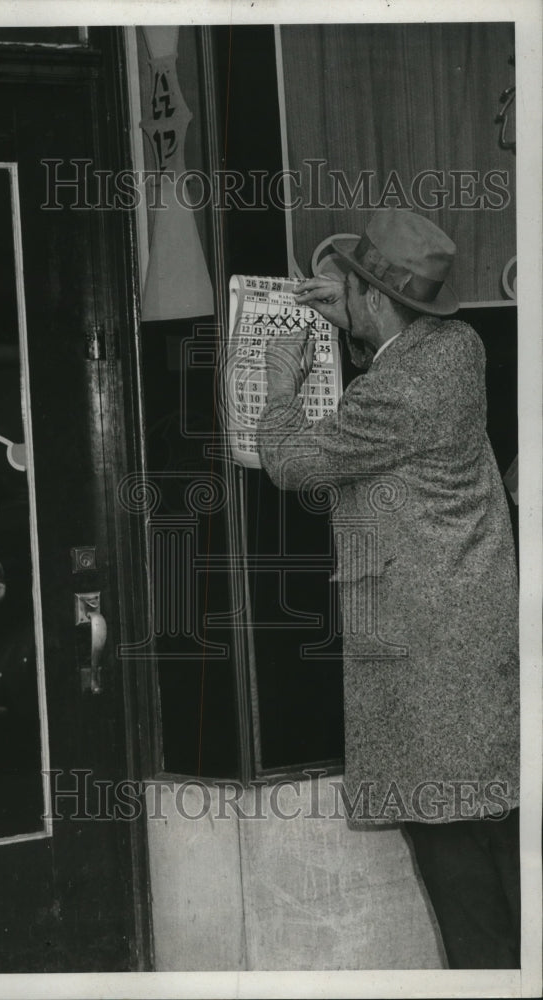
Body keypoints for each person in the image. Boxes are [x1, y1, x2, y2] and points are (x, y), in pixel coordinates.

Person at [258, 209, 520, 968]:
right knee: (496, 833)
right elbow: (400, 352)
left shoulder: (395, 393)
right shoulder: (459, 348)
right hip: (473, 638)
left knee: (455, 861)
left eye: (355, 289)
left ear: (375, 299)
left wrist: (280, 388)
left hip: (426, 658)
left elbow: (298, 463)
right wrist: (359, 321)